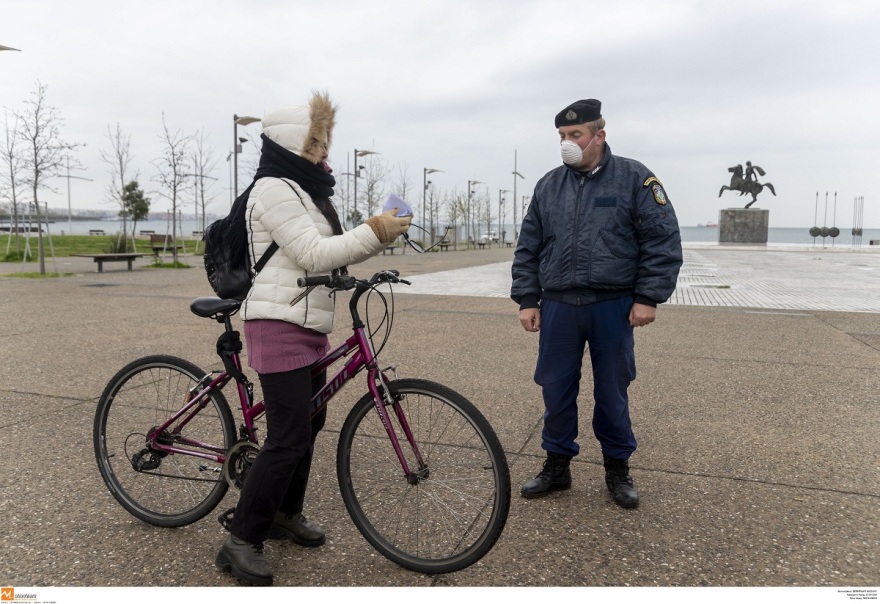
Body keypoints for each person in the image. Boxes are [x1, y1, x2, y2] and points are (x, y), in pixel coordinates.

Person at [215, 92, 411, 586]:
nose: (324, 155)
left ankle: (283, 513)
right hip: (277, 322)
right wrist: (376, 231)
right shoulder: (275, 189)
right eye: (315, 145)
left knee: (311, 421)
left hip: (307, 322)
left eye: (325, 144)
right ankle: (241, 540)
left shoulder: (308, 191)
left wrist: (355, 264)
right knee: (288, 436)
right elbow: (310, 251)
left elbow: (323, 255)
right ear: (289, 145)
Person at [511, 98, 682, 509]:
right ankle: (557, 465)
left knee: (612, 391)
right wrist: (526, 298)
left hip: (612, 305)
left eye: (576, 135)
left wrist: (648, 296)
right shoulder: (548, 184)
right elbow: (529, 246)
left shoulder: (634, 178)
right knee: (554, 388)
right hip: (558, 306)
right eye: (562, 137)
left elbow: (662, 238)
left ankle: (617, 468)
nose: (568, 143)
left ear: (599, 135)